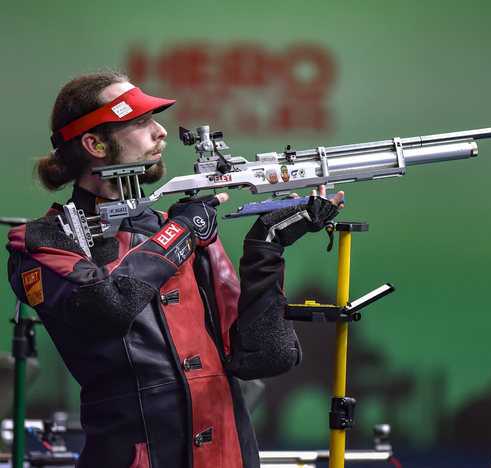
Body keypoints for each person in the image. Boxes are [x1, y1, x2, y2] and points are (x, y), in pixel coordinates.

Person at [6, 71, 344, 468]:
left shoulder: (181, 228)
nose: (160, 132)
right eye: (139, 122)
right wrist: (179, 232)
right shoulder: (44, 240)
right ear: (94, 143)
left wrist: (265, 249)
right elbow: (106, 310)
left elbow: (264, 358)